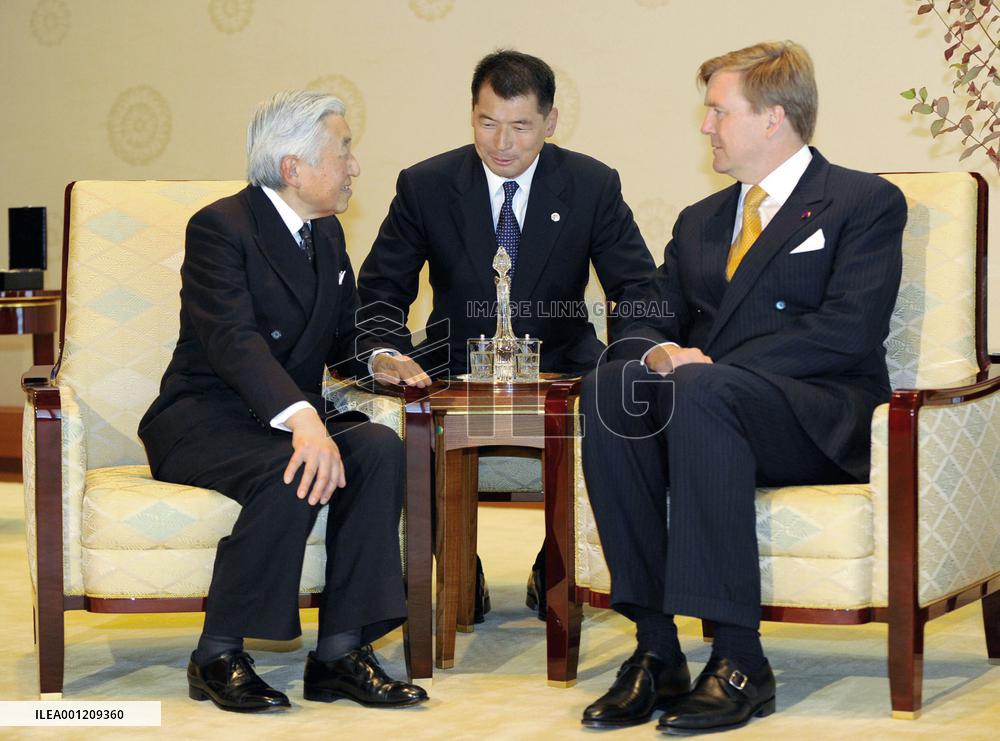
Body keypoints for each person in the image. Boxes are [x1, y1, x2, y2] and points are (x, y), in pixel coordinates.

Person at [578, 41, 906, 734]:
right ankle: (656, 648)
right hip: (709, 407)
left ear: (773, 119)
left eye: (717, 111)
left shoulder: (862, 200)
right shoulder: (699, 221)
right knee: (609, 388)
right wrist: (662, 350)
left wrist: (712, 371)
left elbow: (847, 330)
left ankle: (739, 660)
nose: (706, 127)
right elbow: (644, 311)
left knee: (701, 392)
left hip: (812, 415)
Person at [138, 90, 428, 713]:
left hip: (281, 418)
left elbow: (345, 334)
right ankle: (216, 653)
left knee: (378, 447)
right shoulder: (221, 227)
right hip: (203, 418)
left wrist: (378, 360)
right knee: (292, 465)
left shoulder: (325, 235)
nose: (354, 165)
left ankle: (340, 656)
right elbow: (233, 341)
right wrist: (304, 422)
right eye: (344, 149)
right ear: (294, 167)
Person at [357, 49, 655, 621]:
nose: (502, 143)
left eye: (520, 126)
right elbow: (379, 290)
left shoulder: (592, 184)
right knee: (397, 405)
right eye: (487, 123)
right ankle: (456, 566)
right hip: (453, 356)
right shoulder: (426, 185)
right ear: (471, 115)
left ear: (550, 122)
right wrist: (387, 351)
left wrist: (639, 353)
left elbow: (637, 285)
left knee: (621, 398)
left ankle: (558, 564)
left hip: (562, 353)